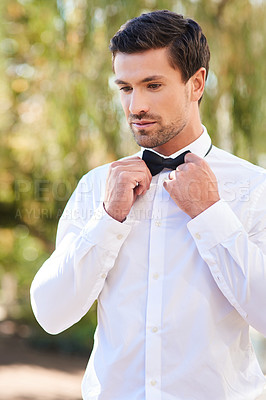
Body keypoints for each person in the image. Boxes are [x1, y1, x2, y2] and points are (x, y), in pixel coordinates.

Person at [30, 10, 266, 400]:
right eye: (125, 88)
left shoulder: (255, 188)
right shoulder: (95, 188)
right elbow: (51, 314)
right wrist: (108, 219)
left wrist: (212, 216)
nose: (135, 105)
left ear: (196, 84)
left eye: (153, 85)